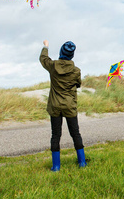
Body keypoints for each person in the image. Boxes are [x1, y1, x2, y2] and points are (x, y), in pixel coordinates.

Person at [40, 40, 87, 171]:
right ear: (72, 55)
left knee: (55, 135)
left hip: (55, 105)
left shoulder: (53, 66)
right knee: (75, 133)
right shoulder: (76, 71)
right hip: (69, 106)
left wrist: (46, 46)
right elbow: (78, 84)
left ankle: (56, 166)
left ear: (61, 52)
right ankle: (82, 162)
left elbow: (43, 58)